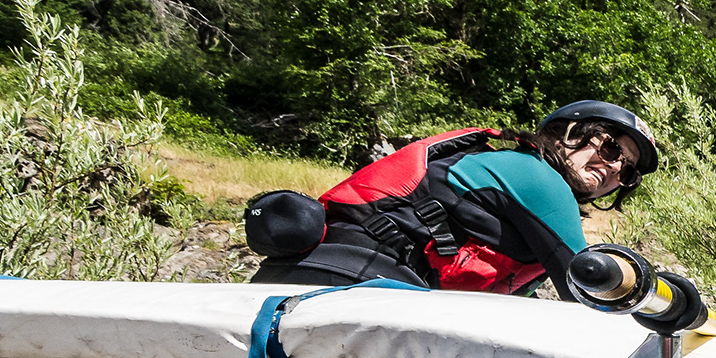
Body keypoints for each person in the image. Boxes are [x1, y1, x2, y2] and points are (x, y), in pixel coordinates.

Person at [248, 101, 661, 296]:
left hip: (321, 285)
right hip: (348, 282)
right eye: (610, 149)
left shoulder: (523, 195)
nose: (614, 168)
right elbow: (590, 286)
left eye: (628, 171)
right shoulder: (535, 176)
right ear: (569, 133)